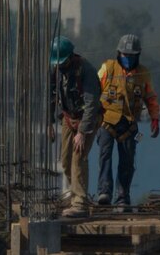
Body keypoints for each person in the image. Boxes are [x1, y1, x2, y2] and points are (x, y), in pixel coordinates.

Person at [94, 34, 159, 207]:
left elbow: (151, 97)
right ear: (119, 53)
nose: (128, 58)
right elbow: (93, 91)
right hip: (107, 121)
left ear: (138, 55)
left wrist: (155, 118)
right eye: (125, 55)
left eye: (131, 55)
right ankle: (104, 192)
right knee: (105, 156)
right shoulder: (107, 68)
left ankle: (122, 197)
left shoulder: (143, 74)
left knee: (128, 162)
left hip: (129, 125)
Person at [49, 36, 102, 218]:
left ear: (70, 57)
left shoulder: (86, 70)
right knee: (65, 161)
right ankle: (75, 195)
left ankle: (80, 203)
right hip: (68, 117)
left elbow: (92, 104)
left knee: (78, 158)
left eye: (63, 63)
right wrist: (49, 122)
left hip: (87, 120)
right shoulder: (56, 70)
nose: (60, 66)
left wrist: (82, 132)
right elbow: (51, 95)